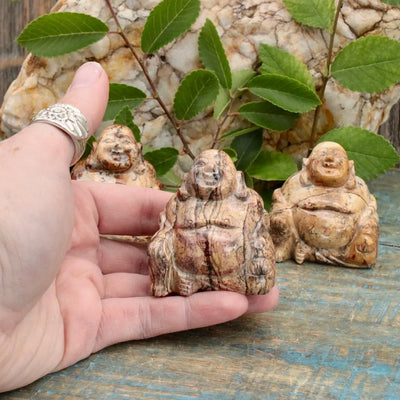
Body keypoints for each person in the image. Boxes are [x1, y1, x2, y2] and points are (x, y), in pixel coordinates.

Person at [0, 62, 279, 393]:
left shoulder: (245, 203)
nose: (209, 171)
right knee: (161, 246)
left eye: (218, 168)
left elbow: (257, 235)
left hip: (229, 264)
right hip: (182, 267)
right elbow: (164, 229)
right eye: (201, 166)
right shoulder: (178, 202)